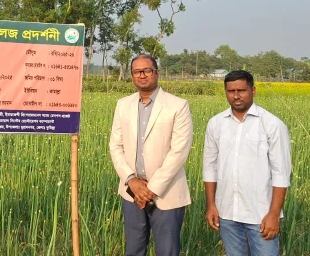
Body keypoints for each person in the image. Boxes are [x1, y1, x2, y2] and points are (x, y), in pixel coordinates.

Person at [109, 54, 194, 256]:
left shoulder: (178, 105)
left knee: (167, 250)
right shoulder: (123, 104)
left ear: (157, 72)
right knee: (134, 249)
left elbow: (179, 151)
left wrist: (150, 190)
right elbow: (115, 145)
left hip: (166, 192)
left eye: (147, 70)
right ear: (132, 75)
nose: (142, 75)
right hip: (131, 193)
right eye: (137, 71)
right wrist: (131, 181)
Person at [202, 70, 292, 256]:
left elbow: (281, 174)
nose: (236, 96)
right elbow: (210, 167)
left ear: (253, 90)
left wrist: (274, 214)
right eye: (230, 91)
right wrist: (211, 204)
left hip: (260, 215)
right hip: (226, 213)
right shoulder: (215, 124)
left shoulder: (272, 125)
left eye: (241, 90)